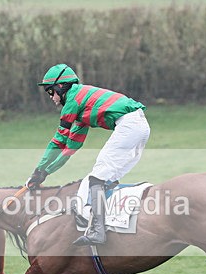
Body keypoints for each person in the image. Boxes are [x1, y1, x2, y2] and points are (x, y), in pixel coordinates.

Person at [26, 64, 150, 246]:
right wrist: (45, 172)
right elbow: (69, 150)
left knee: (98, 177)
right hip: (140, 126)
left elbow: (58, 141)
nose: (51, 97)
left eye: (50, 92)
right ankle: (110, 223)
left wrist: (39, 170)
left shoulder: (73, 101)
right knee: (107, 178)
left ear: (61, 86)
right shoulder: (80, 109)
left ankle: (98, 231)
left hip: (129, 126)